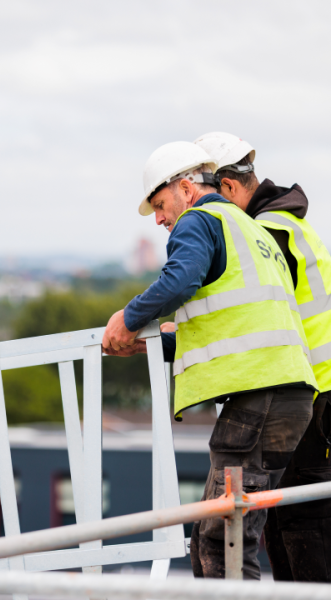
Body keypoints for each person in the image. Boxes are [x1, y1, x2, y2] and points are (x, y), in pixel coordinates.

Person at [102, 140, 318, 580]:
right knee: (224, 532)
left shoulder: (200, 219)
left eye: (160, 205)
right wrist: (159, 343)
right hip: (290, 397)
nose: (160, 219)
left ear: (185, 188)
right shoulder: (250, 228)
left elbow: (182, 278)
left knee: (225, 542)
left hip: (257, 399)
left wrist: (129, 319)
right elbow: (237, 323)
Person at [195, 132, 331, 582]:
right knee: (289, 517)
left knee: (300, 519)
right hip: (313, 388)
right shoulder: (286, 223)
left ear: (230, 189)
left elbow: (250, 318)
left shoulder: (264, 232)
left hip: (314, 389)